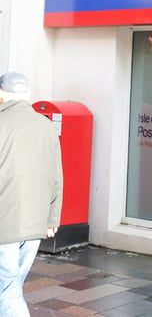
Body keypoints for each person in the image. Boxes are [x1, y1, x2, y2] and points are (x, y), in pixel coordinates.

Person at [0, 72, 63, 316]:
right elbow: (56, 174)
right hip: (34, 224)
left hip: (5, 224)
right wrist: (52, 219)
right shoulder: (46, 125)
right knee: (11, 286)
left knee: (8, 292)